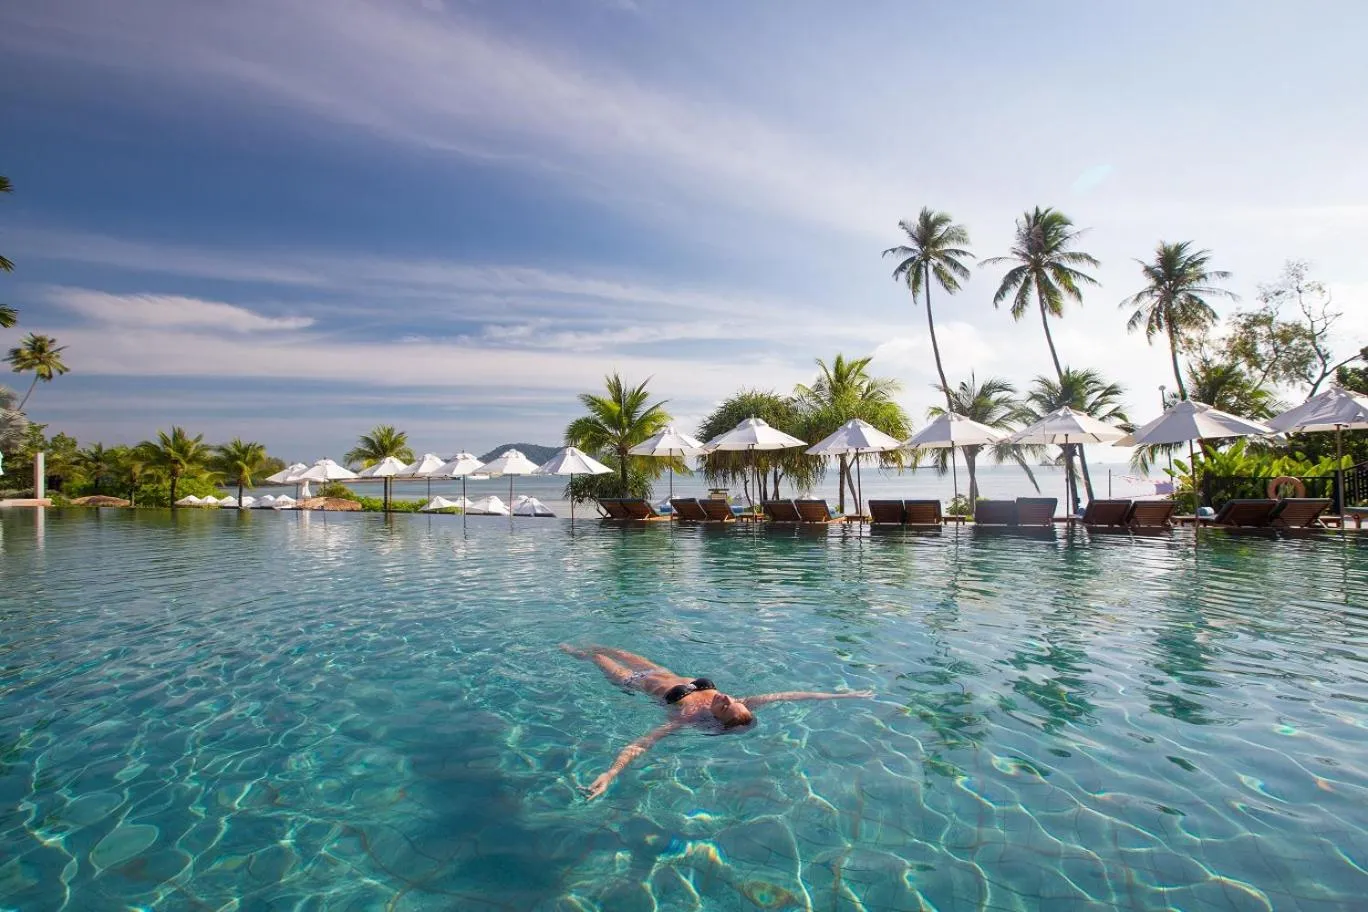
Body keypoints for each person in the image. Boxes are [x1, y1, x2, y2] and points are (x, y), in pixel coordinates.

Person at [562, 644, 874, 799]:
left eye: (724, 707)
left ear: (716, 719)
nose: (725, 699)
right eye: (730, 701)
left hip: (633, 680)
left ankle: (572, 652)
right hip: (659, 668)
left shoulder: (688, 716)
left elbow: (642, 743)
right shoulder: (742, 703)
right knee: (610, 648)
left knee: (596, 658)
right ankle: (582, 646)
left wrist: (610, 773)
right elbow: (791, 695)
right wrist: (844, 697)